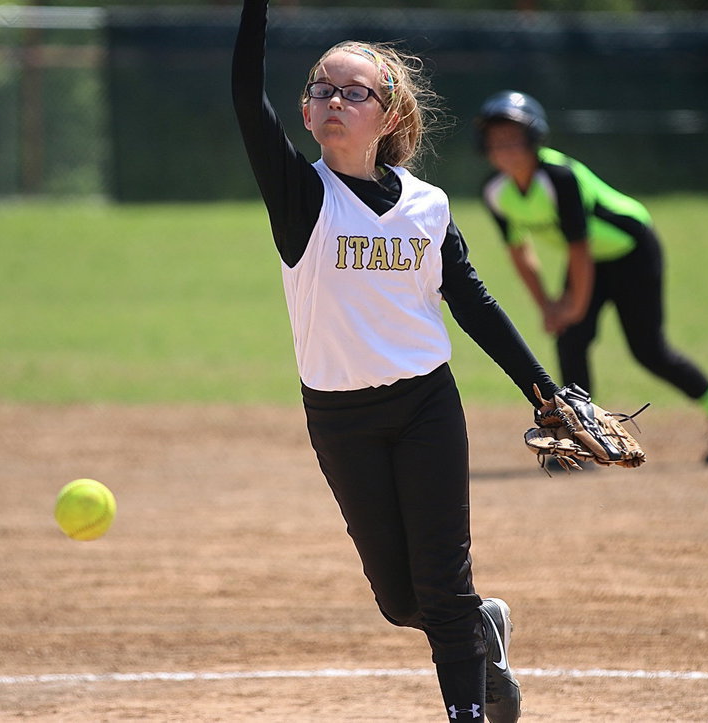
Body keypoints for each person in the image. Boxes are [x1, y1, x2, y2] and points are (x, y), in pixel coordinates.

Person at [231, 2, 594, 720]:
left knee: (441, 583)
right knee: (401, 601)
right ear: (306, 115)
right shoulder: (303, 196)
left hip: (426, 403)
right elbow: (246, 96)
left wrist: (545, 392)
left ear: (390, 113)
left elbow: (475, 303)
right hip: (340, 418)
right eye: (322, 90)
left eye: (354, 90)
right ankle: (479, 630)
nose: (334, 100)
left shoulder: (427, 208)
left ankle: (464, 708)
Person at [475, 90, 708, 464]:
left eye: (513, 139)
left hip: (632, 252)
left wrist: (573, 307)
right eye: (496, 142)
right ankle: (580, 437)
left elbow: (578, 248)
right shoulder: (496, 191)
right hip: (590, 259)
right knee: (571, 341)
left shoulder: (559, 176)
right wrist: (547, 305)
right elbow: (519, 250)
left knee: (648, 349)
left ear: (534, 139)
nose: (505, 149)